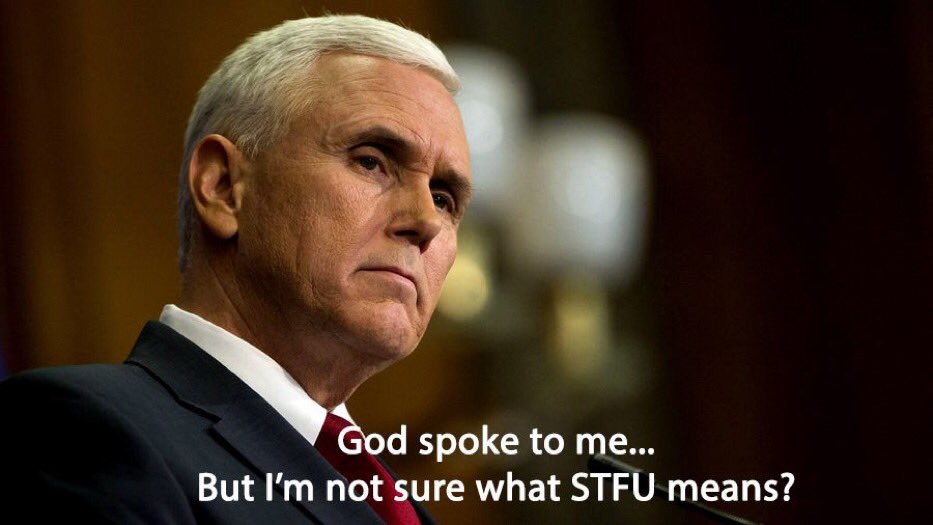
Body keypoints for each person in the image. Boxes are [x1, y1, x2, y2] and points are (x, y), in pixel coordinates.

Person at [0, 14, 471, 524]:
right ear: (223, 187)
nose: (426, 222)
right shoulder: (83, 430)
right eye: (371, 161)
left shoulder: (392, 500)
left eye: (443, 198)